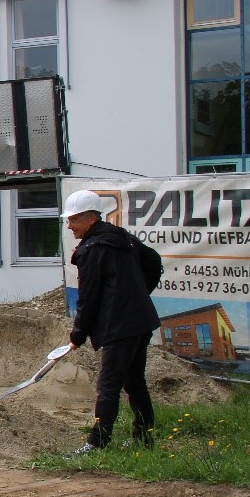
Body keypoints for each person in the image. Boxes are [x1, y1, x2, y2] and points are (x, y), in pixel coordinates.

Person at [63, 189, 162, 453]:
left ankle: (97, 442)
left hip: (120, 326)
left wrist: (77, 335)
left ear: (90, 218)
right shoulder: (122, 238)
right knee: (134, 381)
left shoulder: (93, 249)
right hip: (140, 320)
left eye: (73, 220)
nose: (69, 225)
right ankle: (144, 436)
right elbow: (153, 260)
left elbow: (89, 298)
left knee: (108, 384)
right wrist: (138, 294)